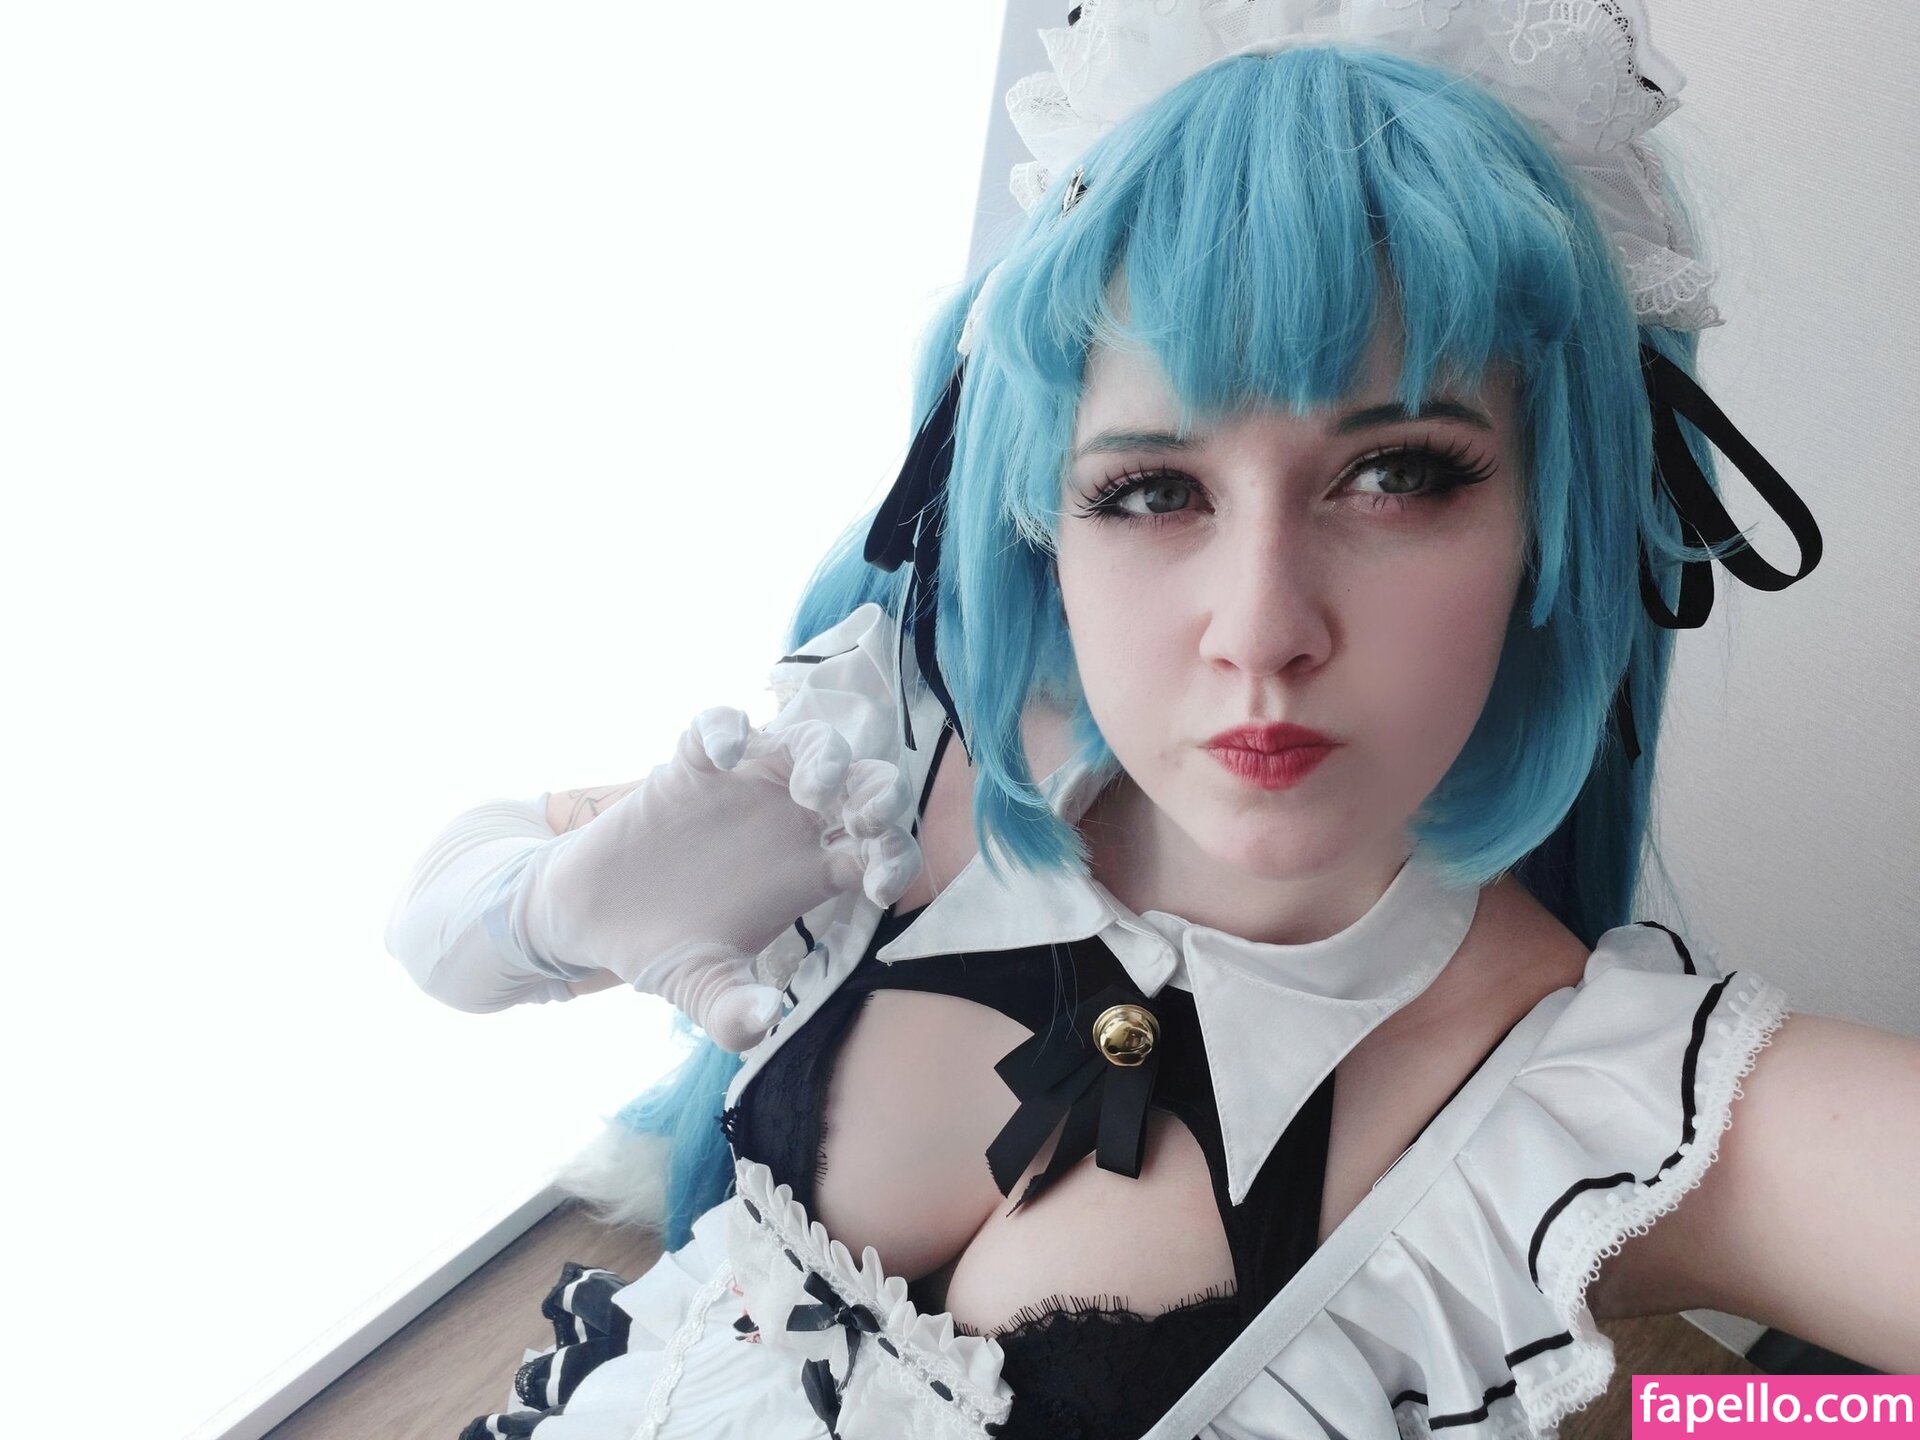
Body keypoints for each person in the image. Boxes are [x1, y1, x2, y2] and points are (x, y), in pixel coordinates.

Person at [383, 5, 1919, 1436]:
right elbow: (438, 925)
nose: (1261, 629)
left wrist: (1718, 1420)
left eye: (1396, 476)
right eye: (1151, 490)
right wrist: (549, 908)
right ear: (1044, 515)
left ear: (1548, 519)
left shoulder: (1600, 1100)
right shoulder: (913, 764)